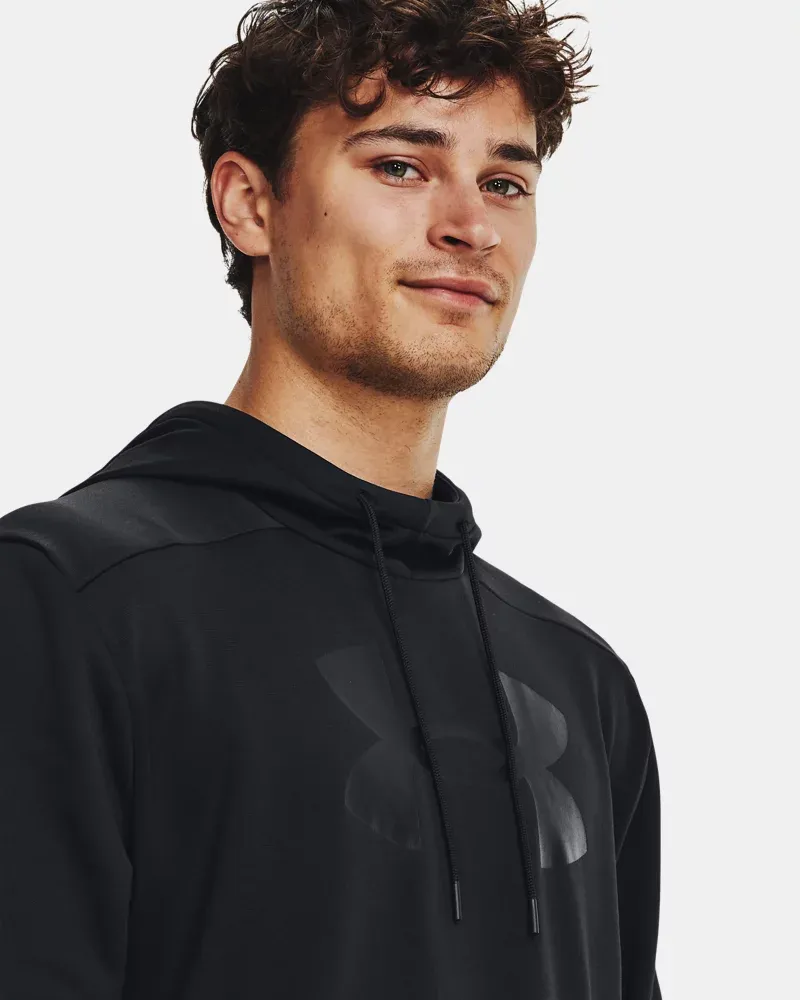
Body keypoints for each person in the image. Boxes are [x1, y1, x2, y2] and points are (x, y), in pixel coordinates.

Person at [0, 1, 662, 997]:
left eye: (504, 181)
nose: (470, 226)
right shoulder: (69, 600)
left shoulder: (580, 679)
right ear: (248, 204)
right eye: (399, 165)